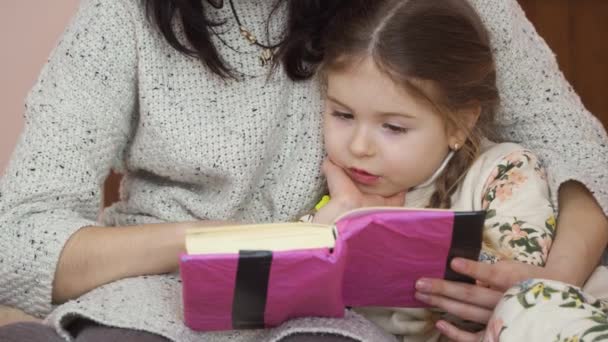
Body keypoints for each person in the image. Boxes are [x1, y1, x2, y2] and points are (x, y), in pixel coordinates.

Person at [0, 0, 606, 341]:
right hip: (156, 297)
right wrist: (232, 245)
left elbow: (579, 150)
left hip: (336, 317)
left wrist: (543, 286)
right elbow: (20, 240)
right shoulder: (121, 17)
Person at [305, 0, 555, 340]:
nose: (359, 147)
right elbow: (295, 289)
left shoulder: (504, 172)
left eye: (393, 127)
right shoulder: (335, 187)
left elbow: (511, 287)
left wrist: (387, 236)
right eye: (343, 115)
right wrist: (331, 226)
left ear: (460, 124)